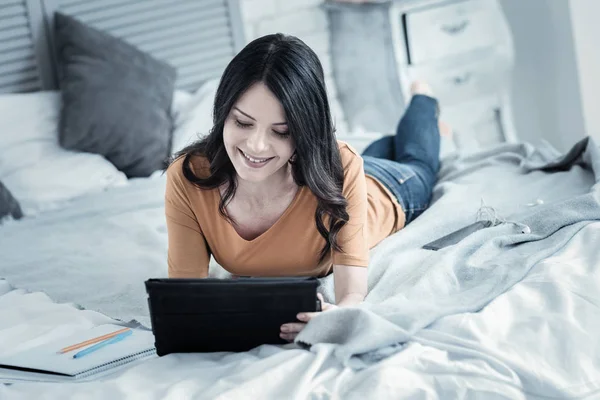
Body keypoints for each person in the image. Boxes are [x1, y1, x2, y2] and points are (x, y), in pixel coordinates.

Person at [164, 33, 442, 342]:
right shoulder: (189, 177)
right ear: (223, 112)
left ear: (304, 131)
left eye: (281, 131)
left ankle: (423, 97)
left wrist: (336, 316)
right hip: (329, 168)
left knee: (418, 161)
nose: (256, 145)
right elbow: (185, 298)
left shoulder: (343, 166)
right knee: (375, 149)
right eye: (243, 123)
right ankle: (384, 141)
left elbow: (351, 295)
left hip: (387, 189)